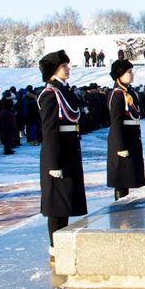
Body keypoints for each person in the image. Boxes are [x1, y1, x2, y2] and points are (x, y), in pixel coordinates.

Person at [38, 50, 87, 266]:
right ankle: (55, 249)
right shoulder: (50, 94)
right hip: (58, 155)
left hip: (68, 151)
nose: (68, 69)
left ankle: (63, 246)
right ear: (53, 71)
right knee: (57, 205)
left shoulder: (63, 91)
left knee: (65, 202)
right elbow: (49, 131)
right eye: (64, 66)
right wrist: (53, 163)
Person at [107, 58, 145, 200]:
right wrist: (120, 146)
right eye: (129, 72)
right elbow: (116, 122)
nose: (132, 74)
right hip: (124, 140)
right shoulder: (117, 94)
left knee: (130, 176)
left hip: (132, 138)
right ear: (120, 74)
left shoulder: (128, 92)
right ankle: (121, 211)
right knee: (122, 179)